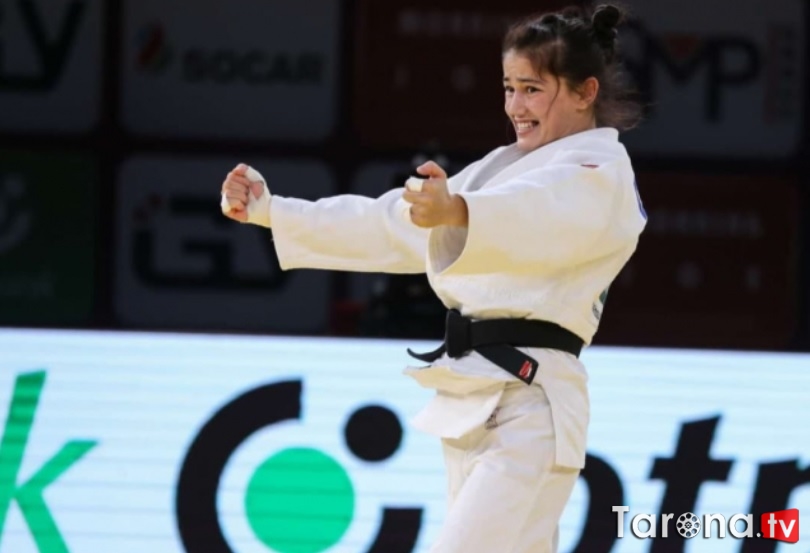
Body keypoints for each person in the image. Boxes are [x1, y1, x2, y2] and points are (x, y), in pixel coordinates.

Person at [220, 3, 647, 552]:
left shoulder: (600, 173)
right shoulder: (501, 167)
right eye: (509, 88)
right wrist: (273, 211)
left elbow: (537, 212)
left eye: (533, 89)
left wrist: (459, 211)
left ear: (585, 92)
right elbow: (390, 222)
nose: (516, 106)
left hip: (532, 405)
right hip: (475, 396)